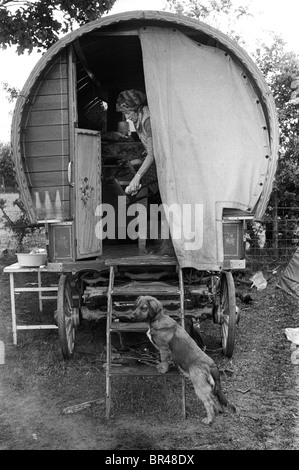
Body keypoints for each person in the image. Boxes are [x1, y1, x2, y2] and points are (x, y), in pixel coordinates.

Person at [116, 89, 174, 255]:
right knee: (154, 199)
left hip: (166, 164)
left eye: (127, 112)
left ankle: (166, 247)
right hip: (158, 161)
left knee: (151, 194)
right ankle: (157, 244)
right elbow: (151, 148)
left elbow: (154, 153)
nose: (127, 117)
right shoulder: (138, 117)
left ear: (135, 108)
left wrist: (137, 177)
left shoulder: (148, 119)